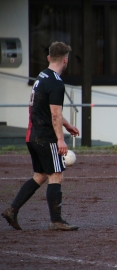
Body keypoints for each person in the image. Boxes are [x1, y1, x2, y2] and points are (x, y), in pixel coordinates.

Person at [2, 41, 80, 231]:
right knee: (56, 175)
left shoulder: (41, 76)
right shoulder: (56, 82)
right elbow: (54, 114)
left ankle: (12, 210)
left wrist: (67, 124)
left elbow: (45, 108)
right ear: (65, 59)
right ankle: (56, 220)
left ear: (48, 58)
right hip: (46, 137)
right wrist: (61, 140)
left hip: (32, 135)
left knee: (40, 175)